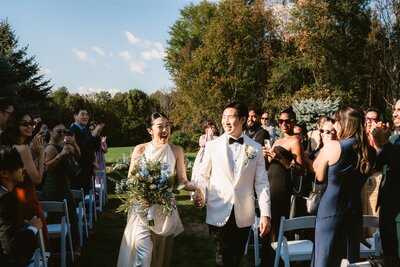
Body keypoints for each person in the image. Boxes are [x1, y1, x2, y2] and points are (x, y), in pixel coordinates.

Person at [117, 112, 202, 267]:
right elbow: (130, 179)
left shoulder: (177, 150)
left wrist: (197, 189)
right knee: (144, 253)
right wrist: (141, 192)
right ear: (150, 130)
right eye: (160, 126)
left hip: (164, 209)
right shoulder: (140, 149)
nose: (165, 129)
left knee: (160, 255)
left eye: (167, 125)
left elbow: (183, 180)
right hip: (143, 208)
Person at [193, 101, 271, 267]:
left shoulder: (255, 148)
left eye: (230, 117)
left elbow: (262, 183)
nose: (226, 121)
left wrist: (265, 214)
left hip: (244, 213)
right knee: (223, 258)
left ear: (243, 119)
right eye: (223, 117)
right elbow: (202, 175)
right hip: (218, 211)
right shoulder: (212, 146)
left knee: (236, 258)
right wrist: (200, 193)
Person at [312, 107, 376, 266]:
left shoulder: (334, 146)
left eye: (336, 122)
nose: (334, 126)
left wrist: (325, 148)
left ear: (344, 124)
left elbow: (319, 177)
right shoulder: (370, 151)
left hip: (331, 210)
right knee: (349, 259)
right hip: (354, 211)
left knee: (325, 257)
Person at [261, 106, 304, 267]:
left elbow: (300, 169)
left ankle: (276, 261)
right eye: (281, 121)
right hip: (270, 182)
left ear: (294, 122)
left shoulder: (295, 141)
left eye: (288, 121)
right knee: (268, 219)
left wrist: (281, 160)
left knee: (277, 222)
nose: (284, 124)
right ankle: (267, 259)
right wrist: (267, 157)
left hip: (281, 185)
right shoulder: (278, 141)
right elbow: (270, 165)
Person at [0, 110, 50, 249]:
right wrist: (40, 154)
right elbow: (38, 179)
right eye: (25, 124)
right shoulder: (22, 148)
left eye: (32, 123)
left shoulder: (8, 146)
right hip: (27, 199)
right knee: (39, 245)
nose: (30, 126)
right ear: (15, 125)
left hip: (11, 196)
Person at [0, 145, 43, 266]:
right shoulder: (6, 199)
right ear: (4, 173)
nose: (24, 169)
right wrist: (33, 228)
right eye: (20, 166)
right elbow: (10, 246)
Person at [43, 121, 81, 256]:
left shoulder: (62, 144)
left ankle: (70, 246)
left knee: (71, 216)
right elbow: (46, 168)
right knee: (61, 216)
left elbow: (78, 155)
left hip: (64, 185)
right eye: (59, 131)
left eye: (65, 131)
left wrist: (74, 143)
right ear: (50, 132)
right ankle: (63, 248)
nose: (62, 134)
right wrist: (60, 155)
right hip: (54, 187)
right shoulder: (50, 148)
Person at [371, 99, 400, 258]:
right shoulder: (394, 139)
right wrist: (377, 143)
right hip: (387, 210)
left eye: (399, 110)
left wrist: (385, 144)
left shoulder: (391, 142)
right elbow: (376, 165)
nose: (395, 113)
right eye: (395, 109)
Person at [68, 107, 103, 193]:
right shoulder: (71, 131)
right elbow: (80, 148)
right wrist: (93, 135)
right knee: (80, 200)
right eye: (82, 114)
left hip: (88, 171)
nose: (86, 117)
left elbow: (96, 148)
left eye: (87, 115)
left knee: (87, 199)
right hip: (78, 172)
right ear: (75, 116)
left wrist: (97, 134)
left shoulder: (86, 131)